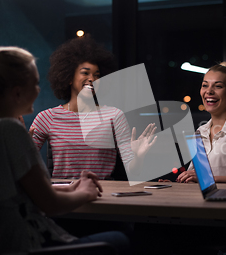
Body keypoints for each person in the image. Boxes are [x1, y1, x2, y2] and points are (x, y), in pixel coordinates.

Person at [0, 36, 130, 255]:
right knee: (128, 242)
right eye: (35, 84)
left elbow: (14, 193)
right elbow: (48, 203)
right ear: (17, 91)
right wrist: (83, 192)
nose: (39, 90)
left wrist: (71, 187)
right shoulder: (10, 130)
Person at [31, 35, 156, 180]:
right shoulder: (47, 117)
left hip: (102, 194)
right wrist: (21, 143)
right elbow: (23, 163)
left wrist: (138, 158)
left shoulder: (114, 116)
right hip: (63, 196)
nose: (92, 79)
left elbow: (133, 171)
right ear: (69, 77)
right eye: (85, 73)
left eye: (97, 75)